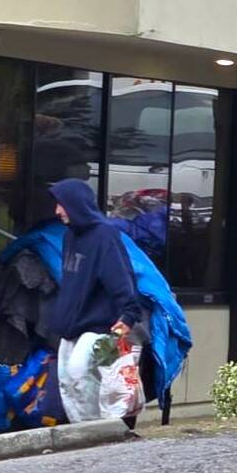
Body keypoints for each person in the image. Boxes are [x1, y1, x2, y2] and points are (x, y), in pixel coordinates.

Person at [47, 178, 144, 423]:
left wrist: (128, 315)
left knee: (80, 373)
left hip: (99, 325)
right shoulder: (70, 237)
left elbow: (121, 277)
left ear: (76, 205)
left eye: (62, 205)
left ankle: (98, 430)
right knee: (68, 382)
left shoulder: (104, 235)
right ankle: (83, 433)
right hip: (72, 327)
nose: (57, 211)